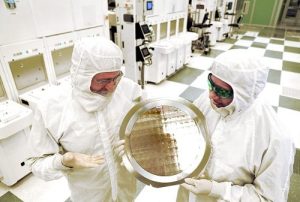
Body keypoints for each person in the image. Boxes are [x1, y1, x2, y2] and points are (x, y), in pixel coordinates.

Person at [27, 37, 142, 202]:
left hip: (126, 188)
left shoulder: (129, 90)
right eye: (103, 80)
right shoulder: (52, 108)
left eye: (115, 78)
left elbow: (149, 121)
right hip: (89, 195)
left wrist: (142, 141)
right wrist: (63, 162)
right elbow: (36, 163)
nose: (111, 87)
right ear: (82, 76)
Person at [177, 49, 295, 202]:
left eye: (222, 91)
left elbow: (268, 198)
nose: (211, 95)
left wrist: (217, 190)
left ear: (243, 93)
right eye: (211, 84)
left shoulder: (275, 138)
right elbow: (187, 132)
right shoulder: (207, 103)